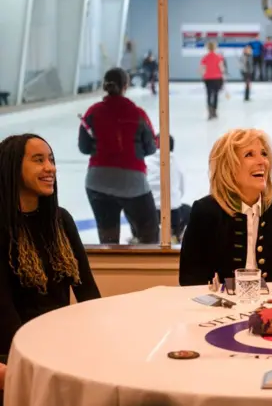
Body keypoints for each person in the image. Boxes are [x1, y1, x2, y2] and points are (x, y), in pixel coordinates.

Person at [0, 134, 101, 375]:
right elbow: (3, 308)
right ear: (13, 167)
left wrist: (102, 338)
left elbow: (87, 290)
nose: (50, 168)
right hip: (14, 351)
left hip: (59, 342)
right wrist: (28, 361)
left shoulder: (61, 220)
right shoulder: (3, 227)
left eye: (51, 159)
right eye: (38, 160)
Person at [179, 129, 272, 285]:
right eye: (249, 154)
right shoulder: (206, 211)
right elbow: (190, 279)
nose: (262, 161)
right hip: (220, 306)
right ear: (228, 167)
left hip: (271, 304)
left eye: (264, 154)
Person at [79, 67, 159, 245]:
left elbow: (84, 148)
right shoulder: (137, 113)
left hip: (97, 182)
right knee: (149, 234)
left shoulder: (92, 112)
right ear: (126, 86)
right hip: (132, 182)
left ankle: (110, 270)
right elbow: (151, 148)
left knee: (108, 239)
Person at [143, 134, 190, 243]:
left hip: (150, 212)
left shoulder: (146, 161)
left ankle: (138, 234)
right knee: (188, 210)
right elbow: (181, 190)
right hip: (173, 213)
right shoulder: (176, 162)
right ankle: (175, 234)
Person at [200, 42, 225, 119]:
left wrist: (203, 75)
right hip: (217, 78)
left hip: (208, 78)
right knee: (216, 94)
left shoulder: (205, 57)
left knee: (209, 94)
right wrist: (223, 76)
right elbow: (222, 68)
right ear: (215, 47)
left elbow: (202, 68)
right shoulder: (219, 57)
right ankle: (214, 111)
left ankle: (210, 111)